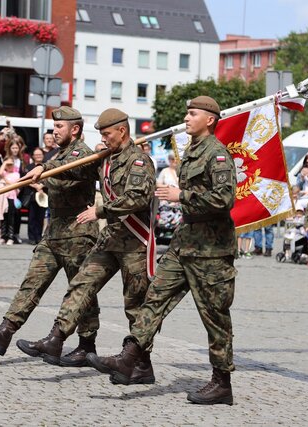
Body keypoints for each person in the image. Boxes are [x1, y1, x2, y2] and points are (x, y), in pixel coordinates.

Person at [87, 96, 238, 406]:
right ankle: (130, 357)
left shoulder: (218, 155)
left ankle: (222, 383)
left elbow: (225, 199)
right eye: (187, 112)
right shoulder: (192, 152)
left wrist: (182, 194)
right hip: (185, 246)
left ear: (209, 120)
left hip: (211, 252)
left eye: (193, 113)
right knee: (154, 298)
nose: (186, 117)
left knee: (214, 317)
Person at [14, 107, 155, 368]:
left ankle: (141, 365)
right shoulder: (105, 158)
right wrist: (44, 168)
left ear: (122, 131)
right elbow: (71, 167)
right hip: (111, 238)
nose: (103, 139)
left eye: (107, 134)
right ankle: (56, 338)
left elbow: (138, 198)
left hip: (134, 241)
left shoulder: (139, 161)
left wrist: (99, 210)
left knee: (134, 305)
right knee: (81, 285)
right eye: (101, 134)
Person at [0, 106, 102, 361]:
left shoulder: (81, 153)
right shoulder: (59, 154)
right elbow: (55, 168)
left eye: (59, 127)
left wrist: (44, 167)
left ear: (75, 129)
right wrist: (42, 169)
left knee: (81, 292)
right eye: (54, 127)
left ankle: (87, 344)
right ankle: (5, 331)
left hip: (78, 233)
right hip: (54, 232)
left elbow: (67, 167)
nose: (54, 131)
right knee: (32, 282)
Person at [22, 147, 46, 244]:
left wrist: (42, 186)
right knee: (31, 217)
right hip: (32, 195)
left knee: (40, 217)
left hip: (43, 195)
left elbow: (50, 178)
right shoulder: (29, 166)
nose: (38, 156)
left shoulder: (46, 166)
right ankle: (31, 237)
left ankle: (39, 237)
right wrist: (36, 186)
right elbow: (25, 180)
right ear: (33, 156)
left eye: (40, 154)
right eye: (36, 155)